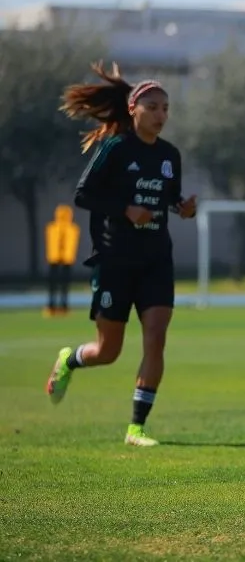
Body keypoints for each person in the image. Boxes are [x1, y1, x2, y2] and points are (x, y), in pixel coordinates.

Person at [46, 61, 197, 446]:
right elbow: (84, 195)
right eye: (153, 107)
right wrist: (126, 209)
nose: (161, 114)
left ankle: (136, 428)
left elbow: (169, 197)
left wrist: (183, 207)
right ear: (133, 109)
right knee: (108, 351)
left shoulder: (169, 155)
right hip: (115, 260)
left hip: (156, 260)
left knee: (156, 337)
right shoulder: (114, 148)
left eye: (166, 108)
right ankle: (70, 359)